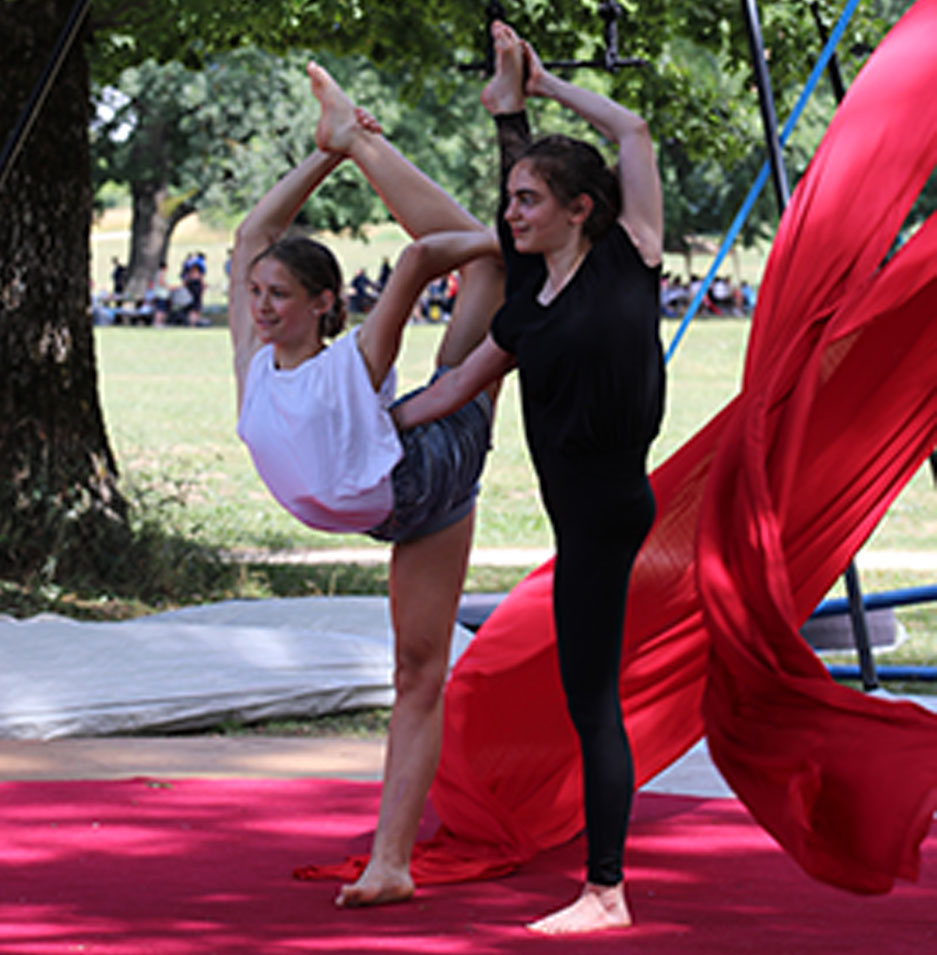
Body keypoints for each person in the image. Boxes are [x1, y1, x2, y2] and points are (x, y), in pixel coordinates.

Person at [392, 21, 665, 935]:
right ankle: (501, 110)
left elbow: (630, 134)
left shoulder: (630, 259)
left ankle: (606, 891)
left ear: (579, 208)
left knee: (593, 703)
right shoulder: (523, 311)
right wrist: (371, 430)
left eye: (529, 200)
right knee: (583, 697)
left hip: (608, 516)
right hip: (578, 516)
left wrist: (547, 90)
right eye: (509, 197)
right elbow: (457, 386)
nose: (510, 211)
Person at [228, 62, 505, 908]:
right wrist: (326, 156)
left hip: (426, 476)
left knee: (487, 281)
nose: (261, 304)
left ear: (322, 303)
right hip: (384, 501)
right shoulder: (253, 368)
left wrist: (507, 240)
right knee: (415, 672)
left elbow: (424, 255)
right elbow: (250, 236)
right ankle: (390, 865)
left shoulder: (352, 363)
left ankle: (523, 301)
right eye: (257, 295)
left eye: (279, 295)